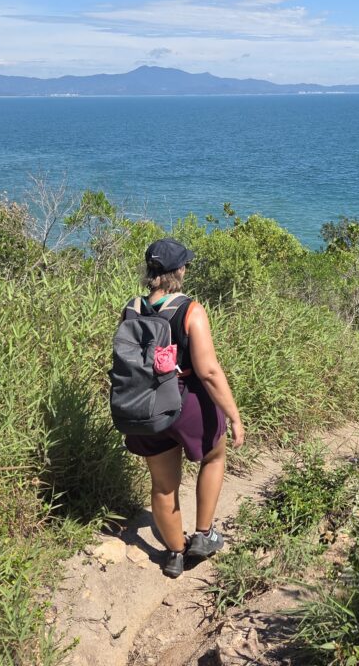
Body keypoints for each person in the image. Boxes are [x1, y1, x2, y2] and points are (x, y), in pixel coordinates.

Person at [121, 238, 245, 578]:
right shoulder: (189, 309)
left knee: (162, 485)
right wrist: (234, 416)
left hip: (143, 405)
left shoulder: (131, 308)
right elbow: (208, 371)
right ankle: (203, 536)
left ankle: (175, 554)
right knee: (214, 455)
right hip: (185, 398)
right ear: (180, 270)